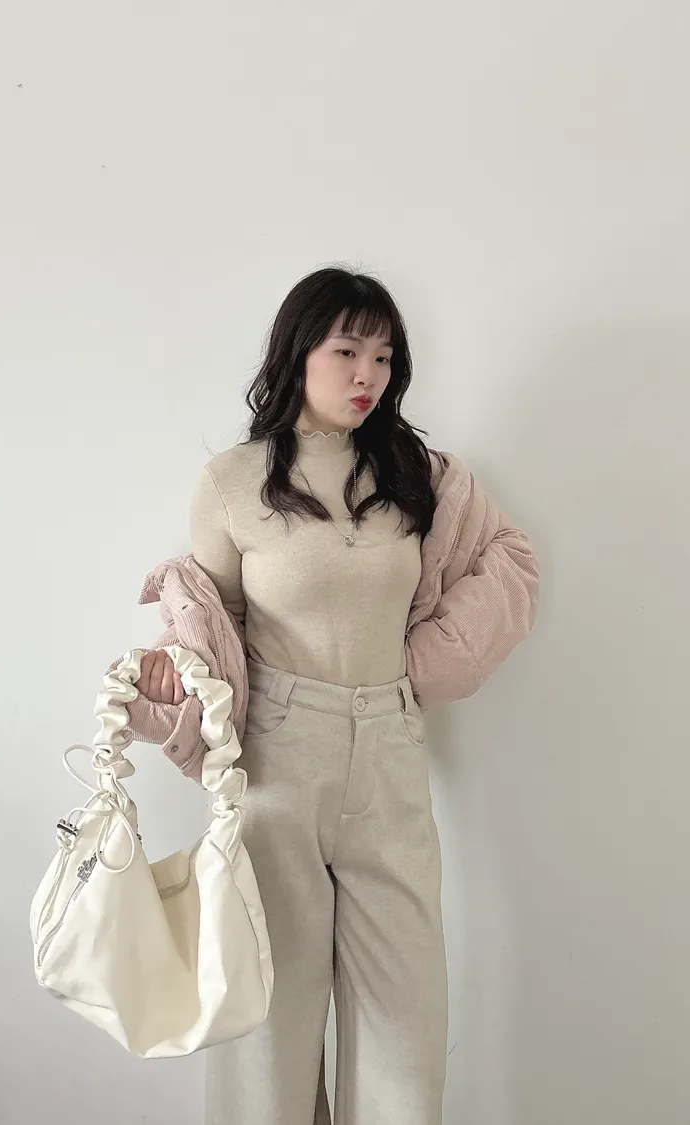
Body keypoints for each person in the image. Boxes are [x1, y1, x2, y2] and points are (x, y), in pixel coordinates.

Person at [135, 266, 539, 1125]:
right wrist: (172, 671)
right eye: (348, 351)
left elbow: (508, 559)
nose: (368, 375)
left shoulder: (418, 475)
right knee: (268, 1012)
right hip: (277, 758)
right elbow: (212, 624)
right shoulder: (232, 482)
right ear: (298, 352)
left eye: (384, 357)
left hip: (389, 749)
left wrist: (423, 666)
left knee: (406, 1012)